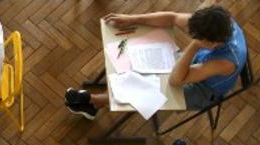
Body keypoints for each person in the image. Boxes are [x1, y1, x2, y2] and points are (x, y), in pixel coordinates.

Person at [65, 5, 247, 119]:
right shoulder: (216, 22)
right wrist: (133, 19)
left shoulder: (226, 61)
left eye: (196, 38)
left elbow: (176, 81)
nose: (192, 36)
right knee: (140, 64)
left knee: (154, 90)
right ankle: (97, 101)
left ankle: (95, 102)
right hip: (198, 63)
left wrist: (193, 46)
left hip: (204, 89)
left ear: (212, 43)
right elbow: (172, 18)